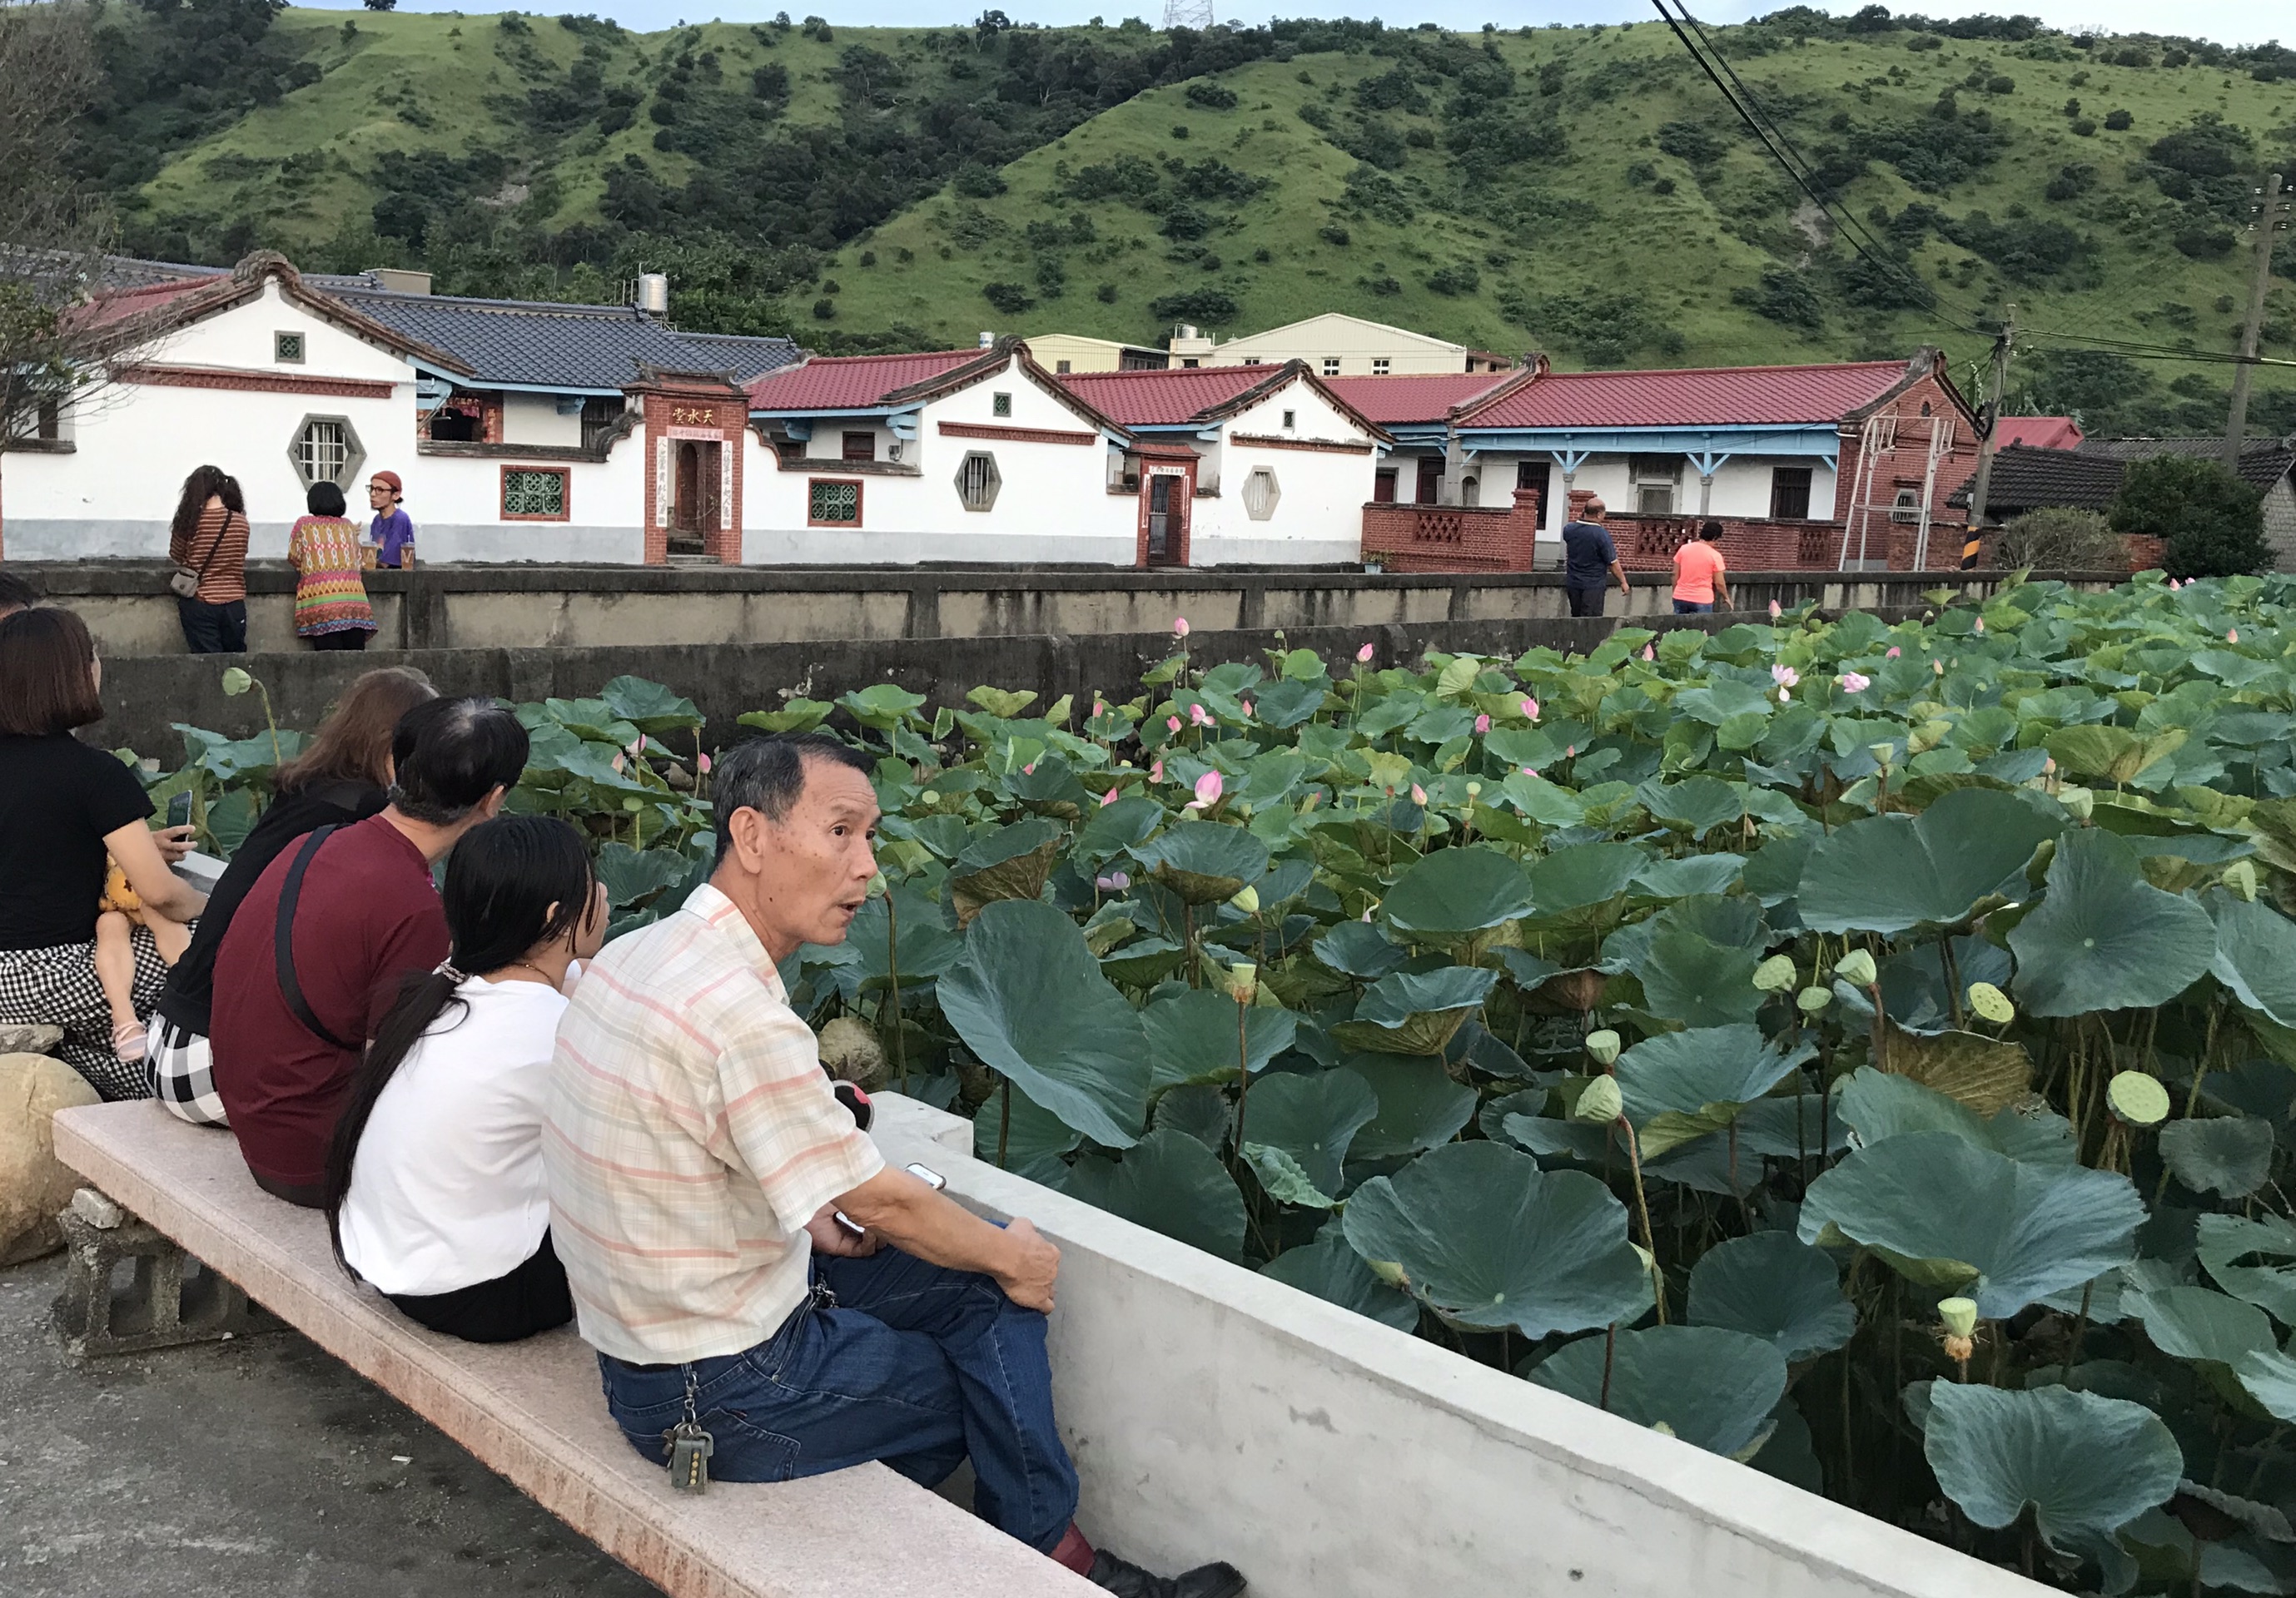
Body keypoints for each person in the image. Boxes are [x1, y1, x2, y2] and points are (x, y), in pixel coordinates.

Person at [547, 735, 1244, 1598]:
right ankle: (1025, 1571)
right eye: (840, 833)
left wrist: (831, 1217)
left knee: (976, 1288)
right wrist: (1019, 1257)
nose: (868, 868)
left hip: (657, 1334)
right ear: (752, 836)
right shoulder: (738, 1012)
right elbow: (882, 1200)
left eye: (871, 836)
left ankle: (1053, 1558)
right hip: (711, 1383)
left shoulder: (642, 954)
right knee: (969, 1373)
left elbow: (696, 1139)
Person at [210, 695, 527, 1206]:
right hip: (313, 1159)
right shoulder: (415, 909)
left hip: (258, 1125)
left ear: (399, 768)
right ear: (493, 799)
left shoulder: (315, 842)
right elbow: (401, 1071)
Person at [326, 814, 604, 1343]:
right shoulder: (554, 1033)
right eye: (592, 885)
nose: (605, 894)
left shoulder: (446, 983)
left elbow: (564, 979)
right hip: (484, 1295)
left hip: (394, 1263)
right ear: (557, 919)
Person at [149, 667, 437, 1126]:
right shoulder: (364, 817)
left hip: (169, 1042)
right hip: (213, 1068)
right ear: (391, 749)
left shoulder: (306, 792)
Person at [0, 608, 206, 1099]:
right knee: (205, 938)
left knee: (108, 1043)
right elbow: (160, 891)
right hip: (49, 972)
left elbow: (34, 843)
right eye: (91, 654)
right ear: (74, 675)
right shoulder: (93, 772)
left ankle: (106, 1066)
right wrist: (219, 908)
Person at [91, 858, 193, 1065]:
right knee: (109, 925)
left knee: (160, 915)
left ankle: (198, 984)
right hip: (110, 900)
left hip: (144, 893)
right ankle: (124, 1020)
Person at [169, 465, 251, 654]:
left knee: (206, 662)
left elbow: (176, 554)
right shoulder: (240, 522)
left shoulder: (189, 521)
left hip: (200, 600)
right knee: (235, 662)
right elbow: (241, 554)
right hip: (234, 602)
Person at [289, 481, 379, 651]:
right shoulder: (347, 525)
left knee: (329, 662)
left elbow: (294, 557)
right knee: (356, 661)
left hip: (322, 602)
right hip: (355, 604)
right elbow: (359, 560)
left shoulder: (304, 524)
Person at [1560, 498, 1630, 618]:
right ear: (1598, 514)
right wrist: (1623, 582)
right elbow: (1612, 563)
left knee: (1576, 617)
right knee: (1591, 621)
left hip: (1573, 582)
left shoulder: (1569, 530)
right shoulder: (1601, 535)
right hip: (1593, 585)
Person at [1671, 520, 1733, 615]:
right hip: (1702, 599)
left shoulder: (1683, 549)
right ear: (1715, 538)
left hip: (1680, 597)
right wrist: (1726, 597)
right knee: (1700, 629)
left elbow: (1675, 575)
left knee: (1679, 629)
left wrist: (1676, 592)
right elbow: (1719, 582)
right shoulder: (1715, 555)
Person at [365, 471, 415, 570]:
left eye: (379, 490)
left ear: (395, 495)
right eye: (371, 489)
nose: (373, 494)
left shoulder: (400, 519)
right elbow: (371, 556)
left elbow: (386, 563)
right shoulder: (377, 520)